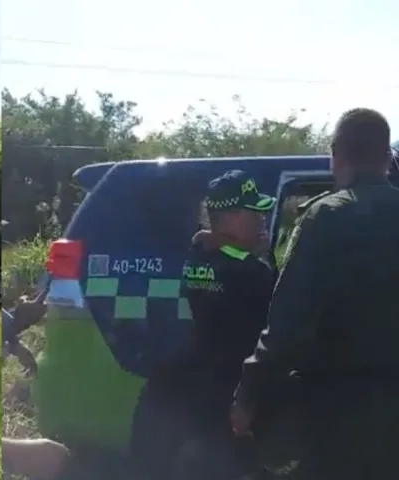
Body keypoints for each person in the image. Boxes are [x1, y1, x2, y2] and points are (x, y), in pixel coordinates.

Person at [231, 108, 399, 479]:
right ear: (387, 158)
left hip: (343, 413)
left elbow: (289, 324)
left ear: (335, 154)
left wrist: (248, 395)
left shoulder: (327, 218)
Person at [164, 170, 277, 479]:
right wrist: (265, 256)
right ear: (232, 217)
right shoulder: (253, 271)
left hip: (205, 389)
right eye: (254, 212)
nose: (262, 218)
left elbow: (206, 244)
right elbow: (279, 311)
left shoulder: (198, 256)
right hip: (240, 397)